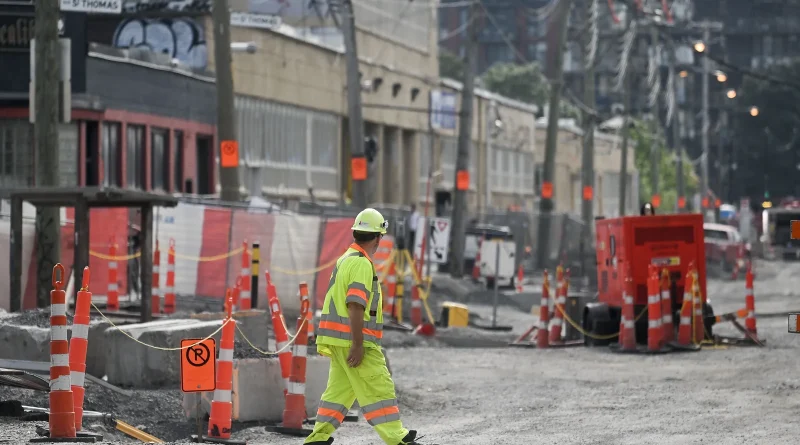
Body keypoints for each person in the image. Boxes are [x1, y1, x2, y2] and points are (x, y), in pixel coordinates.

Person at [304, 208, 427, 445]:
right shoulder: (361, 264)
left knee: (338, 393)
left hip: (338, 340)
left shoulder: (345, 260)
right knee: (379, 385)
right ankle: (397, 438)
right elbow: (355, 304)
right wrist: (359, 344)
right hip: (355, 340)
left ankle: (316, 439)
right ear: (379, 237)